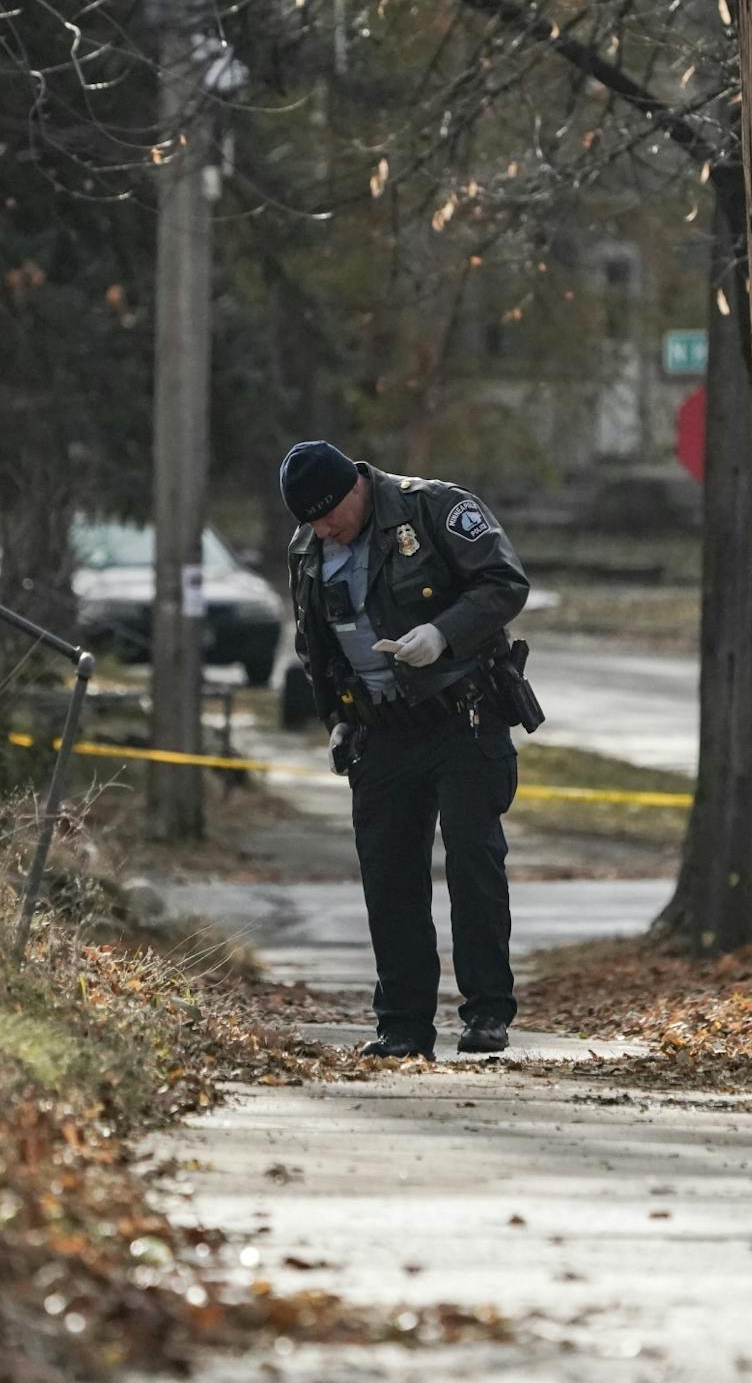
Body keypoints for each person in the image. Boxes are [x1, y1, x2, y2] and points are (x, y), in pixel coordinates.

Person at [279, 440, 533, 1059]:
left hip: (462, 715)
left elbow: (504, 583)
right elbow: (314, 644)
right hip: (380, 729)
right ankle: (403, 1022)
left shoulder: (434, 509)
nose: (323, 530)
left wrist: (442, 635)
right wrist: (336, 718)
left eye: (329, 515)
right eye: (310, 522)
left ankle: (487, 1013)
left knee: (473, 858)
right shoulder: (309, 549)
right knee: (388, 874)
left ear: (354, 491)